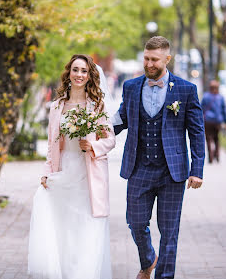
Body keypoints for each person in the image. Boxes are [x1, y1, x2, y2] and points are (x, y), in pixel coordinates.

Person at [112, 36, 205, 279]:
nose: (149, 63)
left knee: (169, 231)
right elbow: (121, 119)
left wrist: (197, 170)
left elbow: (196, 132)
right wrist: (94, 133)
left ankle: (165, 276)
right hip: (139, 167)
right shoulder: (130, 87)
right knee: (135, 222)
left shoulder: (186, 89)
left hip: (171, 172)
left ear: (167, 59)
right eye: (146, 58)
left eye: (154, 59)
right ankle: (148, 260)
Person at [28, 54, 116, 279]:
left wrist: (93, 145)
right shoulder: (57, 106)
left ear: (90, 76)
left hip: (88, 173)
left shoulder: (97, 105)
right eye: (75, 70)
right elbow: (51, 145)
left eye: (84, 71)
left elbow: (110, 139)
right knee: (63, 225)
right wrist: (47, 172)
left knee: (85, 223)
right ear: (69, 72)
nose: (79, 75)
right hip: (63, 170)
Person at [201, 80, 226, 163]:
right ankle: (217, 155)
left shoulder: (205, 96)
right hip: (217, 121)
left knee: (208, 139)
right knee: (216, 138)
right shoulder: (220, 97)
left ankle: (210, 157)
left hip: (208, 121)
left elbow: (201, 108)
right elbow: (224, 110)